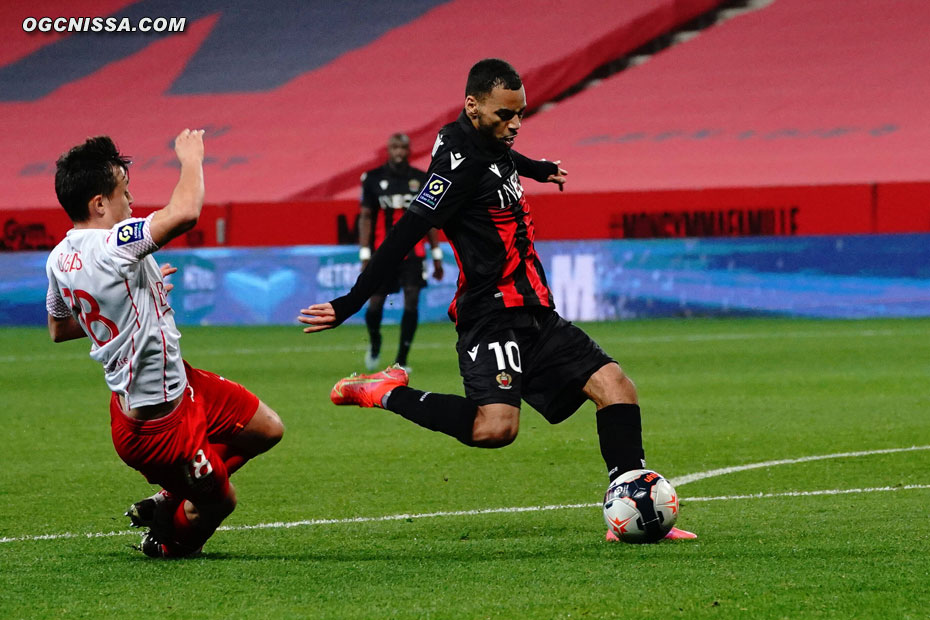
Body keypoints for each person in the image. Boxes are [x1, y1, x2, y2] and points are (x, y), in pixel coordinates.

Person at [299, 58, 693, 541]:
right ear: (473, 107)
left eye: (521, 114)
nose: (515, 125)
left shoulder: (490, 139)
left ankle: (628, 509)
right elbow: (406, 234)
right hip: (489, 315)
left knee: (617, 387)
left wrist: (539, 169)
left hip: (534, 310)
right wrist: (351, 301)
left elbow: (503, 158)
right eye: (506, 115)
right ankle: (383, 392)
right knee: (496, 429)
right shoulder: (454, 169)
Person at [45, 130, 284, 558]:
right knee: (220, 502)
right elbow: (186, 212)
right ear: (99, 203)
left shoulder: (59, 257)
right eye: (124, 192)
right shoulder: (112, 246)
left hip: (182, 385)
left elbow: (61, 328)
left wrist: (139, 301)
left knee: (267, 429)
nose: (131, 202)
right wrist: (191, 158)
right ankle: (167, 541)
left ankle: (170, 497)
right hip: (159, 425)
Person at [358, 133, 444, 371]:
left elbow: (429, 218)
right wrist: (365, 254)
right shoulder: (373, 179)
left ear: (408, 150)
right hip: (382, 252)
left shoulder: (421, 178)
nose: (398, 150)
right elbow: (366, 217)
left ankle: (402, 360)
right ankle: (375, 342)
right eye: (394, 146)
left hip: (414, 252)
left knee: (412, 301)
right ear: (388, 149)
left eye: (403, 147)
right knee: (375, 304)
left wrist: (436, 256)